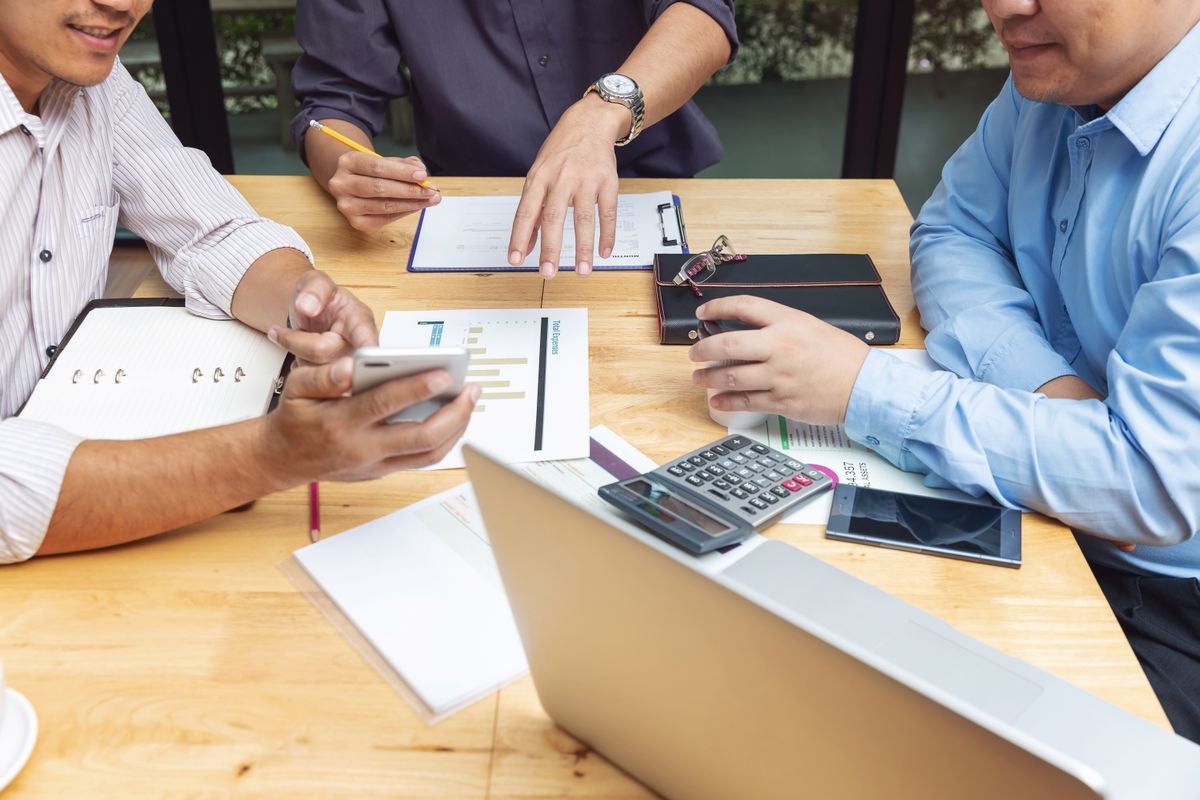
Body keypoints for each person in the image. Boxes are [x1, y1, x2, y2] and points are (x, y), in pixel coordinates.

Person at [688, 0, 1200, 743]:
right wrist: (1048, 393)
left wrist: (861, 390)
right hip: (1045, 504)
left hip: (1161, 599)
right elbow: (952, 228)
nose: (1003, 6)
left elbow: (1151, 485)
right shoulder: (1062, 76)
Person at [0, 0, 479, 564]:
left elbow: (209, 228)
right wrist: (271, 456)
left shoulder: (95, 82)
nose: (121, 3)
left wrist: (303, 299)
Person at [291, 0, 737, 277]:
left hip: (655, 191)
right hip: (466, 211)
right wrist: (345, 169)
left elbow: (704, 14)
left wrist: (600, 113)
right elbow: (333, 99)